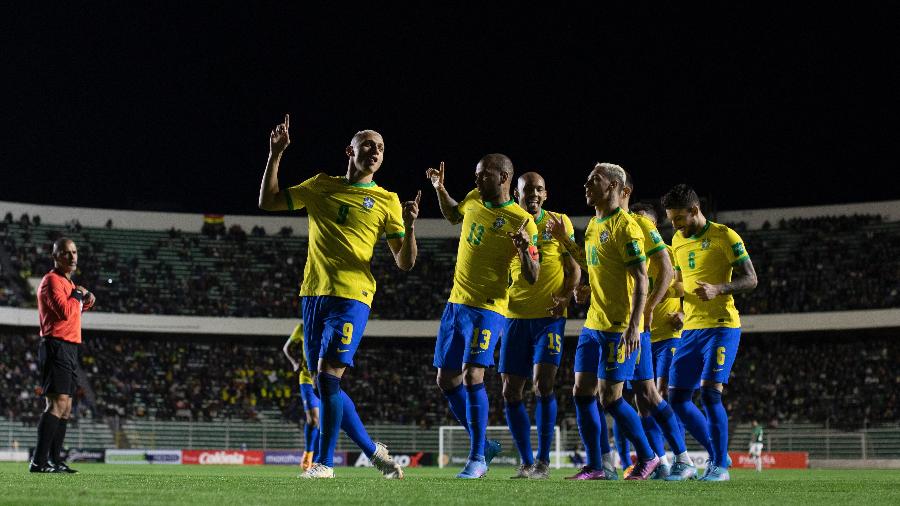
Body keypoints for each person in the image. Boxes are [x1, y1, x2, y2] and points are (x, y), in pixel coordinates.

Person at [259, 114, 420, 479]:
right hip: (313, 293)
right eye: (368, 145)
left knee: (329, 377)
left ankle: (325, 464)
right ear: (351, 150)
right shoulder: (320, 186)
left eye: (380, 148)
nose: (375, 152)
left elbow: (405, 262)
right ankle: (372, 451)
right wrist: (275, 155)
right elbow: (268, 202)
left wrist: (410, 227)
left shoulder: (387, 200)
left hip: (353, 295)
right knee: (322, 381)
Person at [426, 156, 540, 478]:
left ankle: (477, 458)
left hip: (488, 308)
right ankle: (484, 444)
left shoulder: (522, 221)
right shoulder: (474, 198)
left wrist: (523, 249)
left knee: (474, 375)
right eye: (475, 174)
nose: (476, 180)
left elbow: (532, 275)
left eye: (482, 175)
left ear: (503, 176)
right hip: (456, 303)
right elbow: (452, 214)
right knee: (446, 379)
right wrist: (440, 189)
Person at [546, 162, 659, 480]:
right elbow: (590, 262)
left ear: (613, 187)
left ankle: (648, 457)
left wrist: (635, 324)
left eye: (594, 180)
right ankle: (596, 465)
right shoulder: (595, 225)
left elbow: (641, 278)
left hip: (618, 326)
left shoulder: (627, 226)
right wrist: (563, 241)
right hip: (593, 324)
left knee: (611, 398)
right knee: (581, 392)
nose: (586, 184)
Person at [662, 183, 758, 481]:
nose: (675, 225)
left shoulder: (724, 236)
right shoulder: (677, 240)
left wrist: (719, 288)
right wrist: (677, 307)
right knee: (676, 397)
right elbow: (681, 282)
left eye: (678, 218)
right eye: (671, 219)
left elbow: (751, 279)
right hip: (690, 329)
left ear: (695, 210)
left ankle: (719, 467)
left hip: (721, 327)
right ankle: (718, 451)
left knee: (710, 395)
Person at [501, 172, 580, 479]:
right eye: (527, 190)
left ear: (545, 194)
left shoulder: (559, 222)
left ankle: (544, 462)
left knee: (543, 385)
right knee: (510, 391)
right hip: (514, 317)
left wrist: (565, 298)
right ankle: (525, 461)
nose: (533, 193)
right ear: (517, 193)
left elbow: (574, 269)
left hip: (549, 318)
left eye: (538, 189)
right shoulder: (510, 220)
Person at [615, 176, 695, 481]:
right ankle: (659, 460)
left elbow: (681, 284)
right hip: (632, 329)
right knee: (642, 399)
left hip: (656, 332)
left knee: (651, 394)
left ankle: (683, 458)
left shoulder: (658, 244)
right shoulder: (623, 236)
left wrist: (673, 311)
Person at [31, 238, 95, 473]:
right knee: (56, 404)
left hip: (69, 347)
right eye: (66, 253)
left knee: (66, 407)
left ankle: (54, 460)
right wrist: (78, 294)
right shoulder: (51, 281)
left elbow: (75, 310)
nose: (72, 257)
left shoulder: (68, 283)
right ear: (55, 256)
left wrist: (85, 301)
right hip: (56, 345)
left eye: (74, 252)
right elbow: (65, 312)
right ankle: (38, 462)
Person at [282, 323, 319, 471]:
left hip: (325, 378)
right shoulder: (303, 326)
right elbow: (286, 348)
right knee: (314, 419)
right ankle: (308, 455)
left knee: (321, 422)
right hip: (307, 379)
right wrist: (294, 362)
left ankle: (318, 461)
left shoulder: (329, 324)